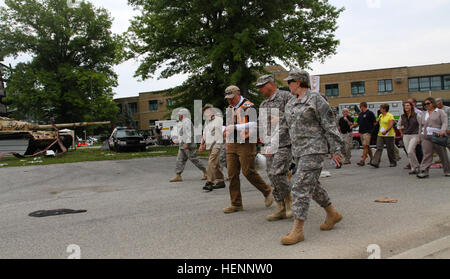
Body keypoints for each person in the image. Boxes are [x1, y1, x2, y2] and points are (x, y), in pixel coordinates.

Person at [282, 69, 343, 245]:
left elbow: (330, 126)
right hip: (298, 152)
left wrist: (336, 151)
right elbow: (287, 128)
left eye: (290, 81)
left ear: (299, 82)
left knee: (300, 186)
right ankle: (332, 214)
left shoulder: (315, 99)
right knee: (313, 185)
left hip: (314, 149)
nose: (288, 85)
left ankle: (298, 230)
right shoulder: (291, 103)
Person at [222, 85, 274, 213]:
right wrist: (225, 133)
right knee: (232, 174)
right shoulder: (229, 108)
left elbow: (254, 123)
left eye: (232, 98)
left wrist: (235, 127)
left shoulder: (249, 106)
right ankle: (236, 203)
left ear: (238, 94)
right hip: (232, 142)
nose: (229, 100)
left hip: (246, 142)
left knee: (247, 171)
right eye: (228, 98)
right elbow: (224, 125)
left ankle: (267, 191)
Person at [257, 74, 294, 221]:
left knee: (277, 172)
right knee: (271, 175)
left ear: (270, 84)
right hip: (268, 144)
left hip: (284, 142)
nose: (260, 90)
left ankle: (289, 201)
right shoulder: (263, 104)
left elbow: (296, 115)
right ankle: (280, 207)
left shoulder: (286, 97)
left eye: (261, 86)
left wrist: (281, 118)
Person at [169, 108, 207, 182]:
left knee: (194, 159)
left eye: (179, 115)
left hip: (188, 146)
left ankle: (206, 172)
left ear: (182, 115)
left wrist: (187, 143)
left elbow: (189, 134)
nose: (178, 116)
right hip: (182, 145)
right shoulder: (183, 122)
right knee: (179, 160)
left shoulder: (187, 122)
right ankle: (178, 175)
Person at [417, 97, 450, 178]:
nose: (426, 105)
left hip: (437, 136)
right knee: (426, 154)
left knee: (442, 154)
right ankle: (424, 171)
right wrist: (419, 137)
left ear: (433, 103)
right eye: (425, 104)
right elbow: (420, 126)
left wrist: (443, 130)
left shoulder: (440, 112)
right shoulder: (424, 113)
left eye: (428, 103)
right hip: (425, 136)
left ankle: (447, 170)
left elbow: (445, 122)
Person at [199, 104, 226, 192]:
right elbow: (204, 133)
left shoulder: (219, 119)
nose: (206, 113)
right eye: (204, 112)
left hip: (217, 144)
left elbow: (220, 131)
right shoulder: (206, 122)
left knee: (211, 161)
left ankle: (209, 182)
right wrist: (201, 144)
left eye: (207, 111)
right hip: (209, 145)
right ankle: (221, 181)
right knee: (216, 164)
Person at [370, 104, 397, 168]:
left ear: (384, 109)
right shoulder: (380, 115)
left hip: (389, 135)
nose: (380, 109)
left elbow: (391, 125)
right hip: (380, 134)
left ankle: (393, 162)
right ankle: (375, 162)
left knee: (390, 149)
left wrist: (386, 131)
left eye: (381, 108)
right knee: (379, 147)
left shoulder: (390, 116)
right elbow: (376, 123)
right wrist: (376, 122)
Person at [398, 102, 421, 174]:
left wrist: (420, 137)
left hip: (415, 135)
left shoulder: (416, 115)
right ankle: (413, 168)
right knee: (410, 153)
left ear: (411, 106)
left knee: (410, 151)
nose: (406, 107)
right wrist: (401, 132)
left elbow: (421, 125)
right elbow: (398, 125)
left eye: (408, 105)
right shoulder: (402, 116)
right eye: (405, 106)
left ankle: (417, 166)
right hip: (406, 136)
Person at [354, 102, 376, 166]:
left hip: (367, 132)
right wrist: (351, 126)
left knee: (365, 146)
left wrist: (372, 130)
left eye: (360, 107)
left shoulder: (370, 113)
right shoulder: (361, 114)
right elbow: (357, 122)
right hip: (361, 132)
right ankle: (372, 159)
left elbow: (374, 122)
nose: (360, 108)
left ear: (362, 106)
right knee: (367, 146)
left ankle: (362, 160)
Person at [407, 98, 424, 168]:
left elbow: (422, 124)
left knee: (417, 149)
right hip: (408, 134)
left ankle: (420, 163)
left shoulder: (419, 113)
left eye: (409, 103)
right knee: (409, 149)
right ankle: (413, 162)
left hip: (416, 133)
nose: (407, 105)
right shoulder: (406, 113)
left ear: (414, 103)